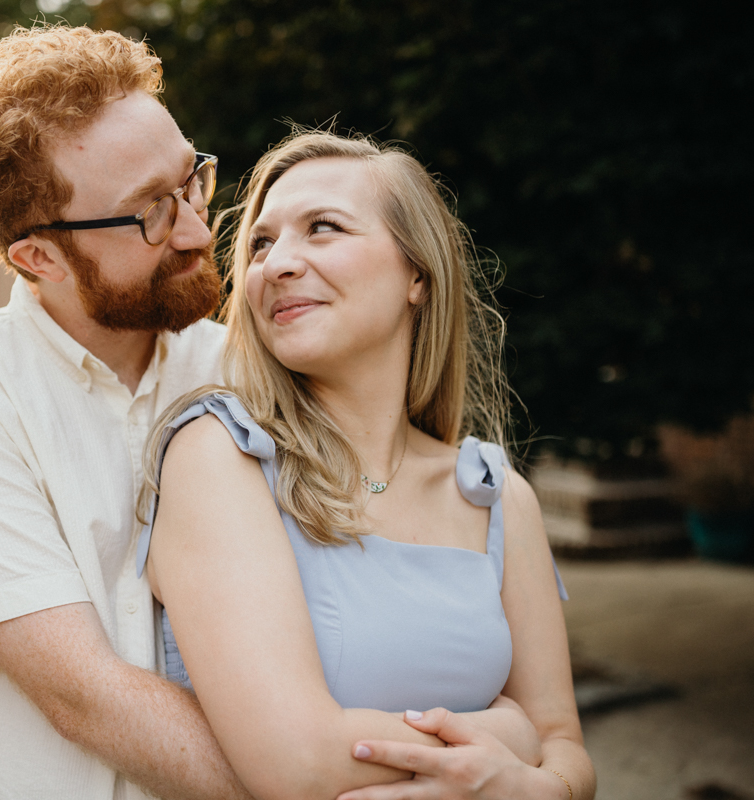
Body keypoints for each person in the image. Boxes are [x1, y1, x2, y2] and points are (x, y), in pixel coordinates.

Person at [139, 130, 596, 800]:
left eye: (322, 228)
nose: (277, 264)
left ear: (417, 273)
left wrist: (538, 785)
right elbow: (297, 764)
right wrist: (507, 740)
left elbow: (565, 747)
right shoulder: (222, 456)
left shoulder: (495, 496)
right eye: (261, 244)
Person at [0, 25, 257, 799]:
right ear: (39, 258)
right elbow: (85, 697)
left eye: (193, 181)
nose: (196, 229)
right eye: (149, 213)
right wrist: (322, 783)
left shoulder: (250, 372)